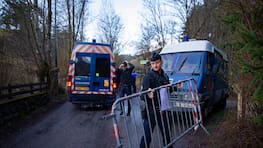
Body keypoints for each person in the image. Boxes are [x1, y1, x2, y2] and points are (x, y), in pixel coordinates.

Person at [140, 52, 171, 148]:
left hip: (163, 110)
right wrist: (147, 94)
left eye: (157, 63)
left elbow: (168, 90)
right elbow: (142, 95)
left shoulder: (165, 76)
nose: (155, 65)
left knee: (167, 135)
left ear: (161, 62)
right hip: (151, 111)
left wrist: (175, 87)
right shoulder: (147, 77)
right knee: (147, 136)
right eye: (153, 63)